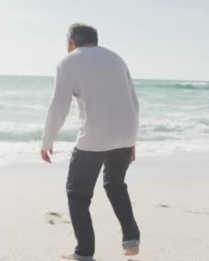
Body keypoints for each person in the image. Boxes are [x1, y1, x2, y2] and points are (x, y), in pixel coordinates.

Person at [40, 23, 141, 261]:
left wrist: (47, 141)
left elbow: (58, 107)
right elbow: (133, 100)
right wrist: (132, 140)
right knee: (115, 185)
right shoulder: (116, 59)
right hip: (126, 133)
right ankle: (131, 239)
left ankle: (84, 252)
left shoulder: (68, 62)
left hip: (94, 137)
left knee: (77, 195)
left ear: (71, 42)